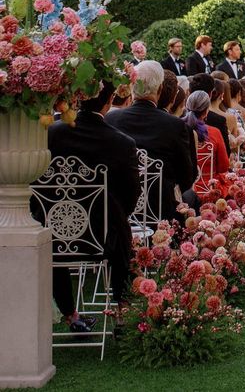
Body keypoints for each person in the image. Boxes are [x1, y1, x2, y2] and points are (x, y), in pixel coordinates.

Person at [45, 81, 141, 333]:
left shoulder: (51, 134)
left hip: (55, 234)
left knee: (52, 227)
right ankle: (121, 310)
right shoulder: (121, 142)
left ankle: (70, 313)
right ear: (110, 101)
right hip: (103, 237)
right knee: (120, 222)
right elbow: (132, 195)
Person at [106, 60, 194, 220]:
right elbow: (186, 178)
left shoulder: (111, 119)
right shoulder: (174, 125)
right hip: (161, 212)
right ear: (160, 89)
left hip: (118, 212)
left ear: (132, 88)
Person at [182, 90, 230, 193]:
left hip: (184, 190)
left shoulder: (178, 130)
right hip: (209, 189)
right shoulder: (214, 132)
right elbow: (224, 166)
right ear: (206, 111)